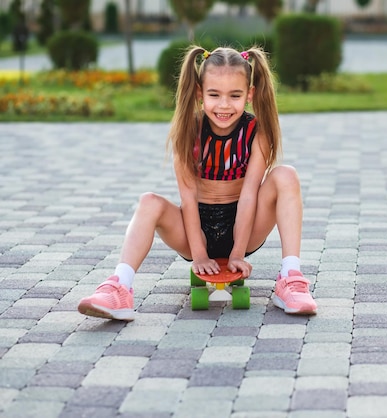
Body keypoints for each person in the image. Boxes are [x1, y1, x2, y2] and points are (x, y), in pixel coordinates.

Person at [78, 46, 317, 321]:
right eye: (214, 95)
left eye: (235, 95)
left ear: (249, 95)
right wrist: (199, 255)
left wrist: (238, 253)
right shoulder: (188, 132)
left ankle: (291, 277)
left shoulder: (256, 133)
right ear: (200, 93)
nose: (224, 105)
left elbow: (250, 194)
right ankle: (118, 286)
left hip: (245, 227)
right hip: (195, 233)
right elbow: (188, 199)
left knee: (286, 175)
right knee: (149, 202)